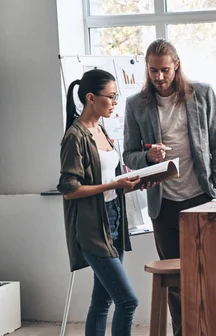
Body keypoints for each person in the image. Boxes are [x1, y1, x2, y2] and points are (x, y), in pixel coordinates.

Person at [123, 39, 216, 336]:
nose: (159, 77)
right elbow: (128, 154)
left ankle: (213, 330)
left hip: (202, 199)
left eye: (165, 70)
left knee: (209, 275)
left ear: (177, 65)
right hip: (164, 205)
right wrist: (147, 156)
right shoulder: (136, 105)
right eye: (153, 70)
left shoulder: (202, 94)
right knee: (176, 282)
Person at [58, 69, 140, 336]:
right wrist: (113, 185)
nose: (115, 102)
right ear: (91, 98)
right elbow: (69, 189)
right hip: (93, 227)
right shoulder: (75, 136)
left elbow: (109, 177)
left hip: (114, 218)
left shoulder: (101, 129)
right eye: (111, 97)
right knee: (128, 301)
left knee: (102, 300)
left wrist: (129, 183)